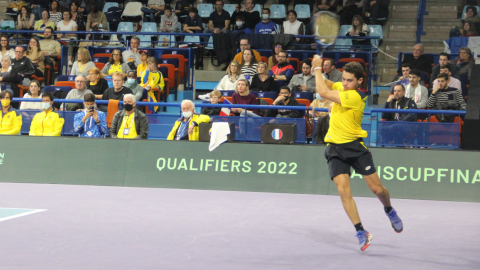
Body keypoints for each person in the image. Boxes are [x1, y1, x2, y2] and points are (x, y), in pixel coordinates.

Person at [312, 57, 403, 251]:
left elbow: (322, 91)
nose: (345, 83)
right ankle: (361, 231)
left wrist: (318, 67)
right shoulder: (342, 87)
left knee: (377, 190)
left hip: (355, 147)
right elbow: (328, 84)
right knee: (343, 190)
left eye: (349, 80)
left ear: (359, 81)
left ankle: (389, 209)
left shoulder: (356, 96)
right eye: (343, 79)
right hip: (334, 147)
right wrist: (316, 70)